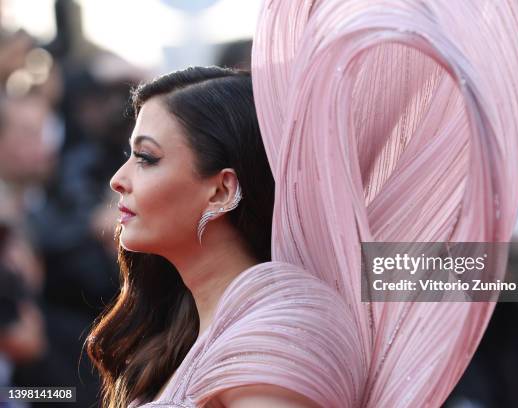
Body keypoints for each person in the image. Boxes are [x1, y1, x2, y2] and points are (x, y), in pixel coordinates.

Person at [87, 66, 362, 407]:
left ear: (220, 190)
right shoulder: (184, 332)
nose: (118, 179)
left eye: (146, 158)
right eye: (129, 156)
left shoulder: (279, 330)